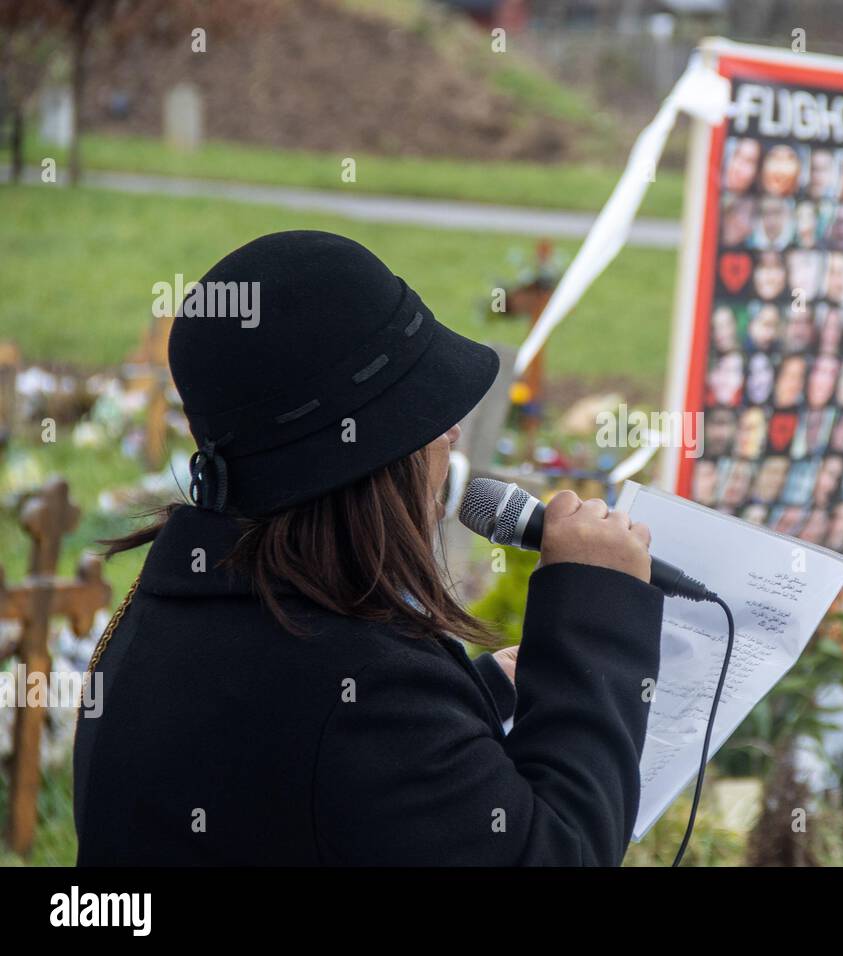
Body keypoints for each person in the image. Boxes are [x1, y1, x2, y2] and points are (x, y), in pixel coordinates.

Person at [74, 231, 663, 866]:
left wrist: (480, 695)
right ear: (377, 456)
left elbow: (313, 773)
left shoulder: (174, 607)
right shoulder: (367, 692)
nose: (452, 432)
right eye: (430, 414)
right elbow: (554, 855)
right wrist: (597, 622)